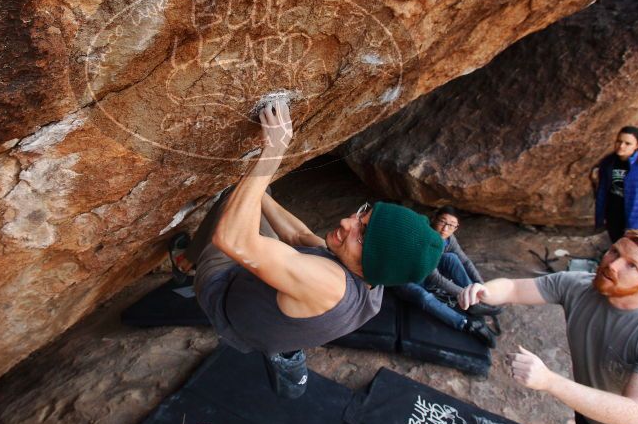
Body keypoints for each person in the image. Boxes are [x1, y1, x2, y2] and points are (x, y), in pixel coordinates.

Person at [181, 98, 443, 399]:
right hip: (273, 316)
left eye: (362, 233)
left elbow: (233, 240)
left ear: (374, 261)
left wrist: (272, 152)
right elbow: (299, 236)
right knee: (254, 192)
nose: (347, 222)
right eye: (362, 215)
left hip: (224, 296)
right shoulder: (372, 280)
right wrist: (255, 185)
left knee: (233, 201)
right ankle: (281, 346)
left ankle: (189, 262)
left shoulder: (330, 284)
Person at [459, 230, 638, 424]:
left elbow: (636, 416)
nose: (613, 264)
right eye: (614, 252)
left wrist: (549, 381)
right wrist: (484, 291)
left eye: (632, 265)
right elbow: (514, 288)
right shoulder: (578, 286)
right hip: (589, 414)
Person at [392, 206, 497, 348]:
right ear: (434, 219)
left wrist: (480, 286)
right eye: (442, 222)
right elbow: (435, 278)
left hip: (427, 277)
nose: (445, 229)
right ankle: (467, 325)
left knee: (452, 258)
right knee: (424, 297)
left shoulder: (449, 239)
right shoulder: (423, 238)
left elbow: (465, 261)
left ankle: (474, 304)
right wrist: (463, 294)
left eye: (451, 225)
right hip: (406, 280)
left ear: (456, 228)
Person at [591, 126, 638, 243]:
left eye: (627, 143)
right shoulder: (608, 162)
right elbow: (602, 191)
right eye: (619, 141)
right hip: (613, 213)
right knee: (617, 245)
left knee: (635, 251)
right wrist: (601, 215)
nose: (621, 146)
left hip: (636, 217)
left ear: (637, 145)